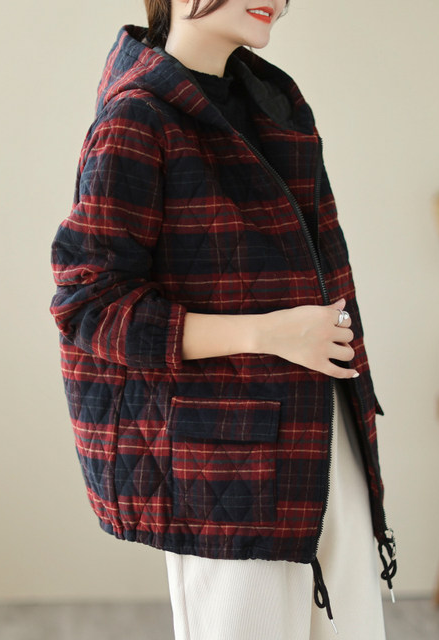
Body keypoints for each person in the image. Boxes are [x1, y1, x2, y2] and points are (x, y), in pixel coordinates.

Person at [50, 1, 397, 638]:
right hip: (223, 458)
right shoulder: (137, 116)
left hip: (324, 428)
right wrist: (265, 333)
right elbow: (89, 306)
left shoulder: (275, 104)